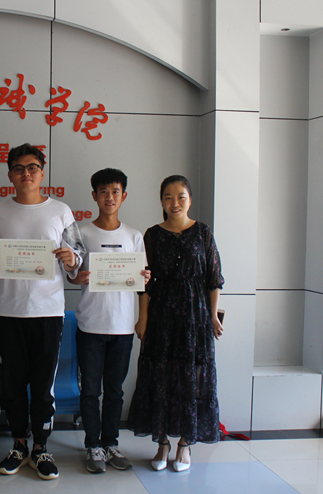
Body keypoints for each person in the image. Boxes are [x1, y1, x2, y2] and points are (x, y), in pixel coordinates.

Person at [0, 143, 86, 481]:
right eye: (18, 168)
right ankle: (18, 445)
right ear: (10, 174)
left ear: (42, 173)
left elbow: (77, 255)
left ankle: (41, 447)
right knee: (12, 385)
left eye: (32, 167)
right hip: (8, 311)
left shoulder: (61, 212)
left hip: (48, 312)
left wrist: (72, 260)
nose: (25, 173)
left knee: (43, 386)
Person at [127, 175, 224, 473]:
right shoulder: (153, 235)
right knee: (161, 377)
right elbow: (144, 282)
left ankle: (184, 443)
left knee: (191, 378)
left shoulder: (203, 233)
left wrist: (212, 316)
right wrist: (142, 317)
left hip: (195, 317)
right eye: (168, 197)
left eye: (181, 196)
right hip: (161, 316)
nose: (175, 202)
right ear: (161, 201)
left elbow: (214, 279)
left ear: (190, 199)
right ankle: (162, 443)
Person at [68, 168, 149, 474]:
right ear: (94, 196)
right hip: (90, 324)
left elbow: (141, 283)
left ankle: (111, 443)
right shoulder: (82, 233)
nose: (109, 197)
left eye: (115, 191)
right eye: (103, 191)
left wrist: (144, 283)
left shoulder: (134, 236)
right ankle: (93, 445)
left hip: (123, 326)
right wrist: (78, 277)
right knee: (90, 390)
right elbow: (72, 274)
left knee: (115, 391)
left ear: (123, 196)